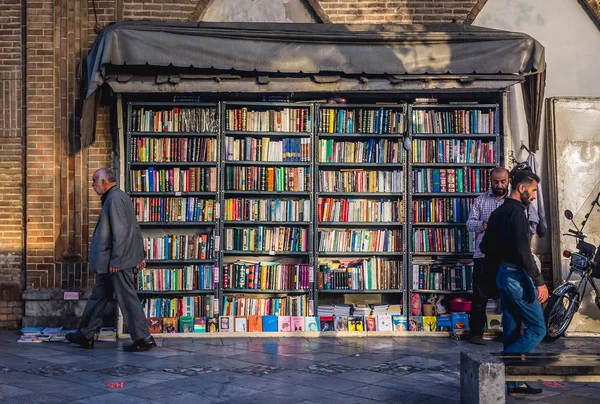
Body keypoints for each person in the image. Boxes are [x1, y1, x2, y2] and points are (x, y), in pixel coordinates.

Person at [66, 168, 156, 352]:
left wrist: (117, 260)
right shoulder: (120, 196)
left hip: (116, 263)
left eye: (94, 181)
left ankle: (143, 338)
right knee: (99, 296)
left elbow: (121, 233)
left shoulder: (114, 199)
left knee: (127, 298)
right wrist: (139, 255)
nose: (92, 185)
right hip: (112, 262)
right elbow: (135, 229)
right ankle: (86, 334)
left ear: (104, 182)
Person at [480, 169, 549, 397]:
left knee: (511, 328)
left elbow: (485, 247)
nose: (535, 195)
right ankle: (498, 366)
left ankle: (512, 383)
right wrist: (539, 282)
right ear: (521, 188)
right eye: (533, 190)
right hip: (518, 278)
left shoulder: (499, 212)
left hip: (503, 274)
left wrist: (505, 255)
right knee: (538, 328)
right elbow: (523, 252)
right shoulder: (518, 213)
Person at [466, 167, 510, 345]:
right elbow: (469, 224)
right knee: (479, 296)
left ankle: (509, 332)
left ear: (508, 181)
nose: (499, 185)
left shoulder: (513, 202)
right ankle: (476, 333)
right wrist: (483, 224)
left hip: (507, 255)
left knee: (509, 295)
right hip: (483, 255)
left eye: (503, 182)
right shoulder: (481, 200)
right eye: (495, 182)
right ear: (490, 181)